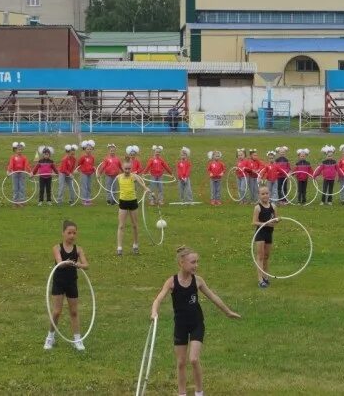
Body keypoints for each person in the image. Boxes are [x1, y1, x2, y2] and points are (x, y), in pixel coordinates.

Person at [150, 246, 241, 396]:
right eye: (192, 262)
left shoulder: (198, 281)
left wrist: (228, 312)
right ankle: (182, 393)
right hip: (180, 326)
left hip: (196, 324)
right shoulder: (171, 282)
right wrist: (154, 312)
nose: (196, 265)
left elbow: (213, 297)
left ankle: (199, 392)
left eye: (197, 262)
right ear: (181, 263)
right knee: (180, 363)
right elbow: (158, 299)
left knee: (193, 359)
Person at [44, 220, 89, 352]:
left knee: (74, 312)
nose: (72, 235)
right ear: (63, 233)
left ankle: (77, 339)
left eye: (74, 233)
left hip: (71, 282)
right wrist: (67, 262)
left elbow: (86, 265)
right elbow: (59, 262)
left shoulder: (78, 249)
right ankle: (50, 337)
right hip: (59, 281)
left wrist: (79, 265)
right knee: (57, 312)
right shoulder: (57, 248)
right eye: (69, 233)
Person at [115, 161, 152, 256]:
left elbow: (142, 185)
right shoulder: (118, 177)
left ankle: (135, 245)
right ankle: (119, 248)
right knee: (121, 225)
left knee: (135, 225)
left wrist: (146, 189)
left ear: (131, 168)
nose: (127, 170)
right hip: (123, 202)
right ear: (122, 168)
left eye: (129, 169)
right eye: (125, 168)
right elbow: (111, 187)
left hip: (133, 202)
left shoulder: (134, 177)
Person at [251, 185, 279, 288]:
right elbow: (254, 222)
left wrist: (277, 221)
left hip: (269, 233)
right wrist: (266, 223)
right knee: (260, 256)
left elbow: (275, 220)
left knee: (267, 256)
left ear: (269, 194)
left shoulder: (273, 206)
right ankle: (260, 279)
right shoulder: (257, 207)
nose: (265, 196)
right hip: (260, 233)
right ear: (259, 195)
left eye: (266, 193)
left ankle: (265, 276)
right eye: (262, 194)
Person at [6, 141, 30, 208]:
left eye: (20, 149)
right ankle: (15, 202)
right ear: (15, 150)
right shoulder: (13, 157)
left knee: (22, 187)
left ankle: (21, 201)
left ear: (22, 150)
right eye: (18, 149)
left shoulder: (24, 157)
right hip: (15, 174)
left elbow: (27, 165)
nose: (19, 151)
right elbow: (10, 164)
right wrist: (8, 171)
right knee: (15, 188)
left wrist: (30, 172)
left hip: (22, 174)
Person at [77, 140, 97, 206]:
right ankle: (84, 200)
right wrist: (80, 170)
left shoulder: (92, 157)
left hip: (90, 173)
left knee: (89, 187)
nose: (89, 150)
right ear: (85, 149)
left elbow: (92, 165)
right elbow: (79, 164)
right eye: (88, 149)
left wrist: (94, 169)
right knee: (84, 186)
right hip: (84, 173)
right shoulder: (83, 157)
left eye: (90, 149)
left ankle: (88, 199)